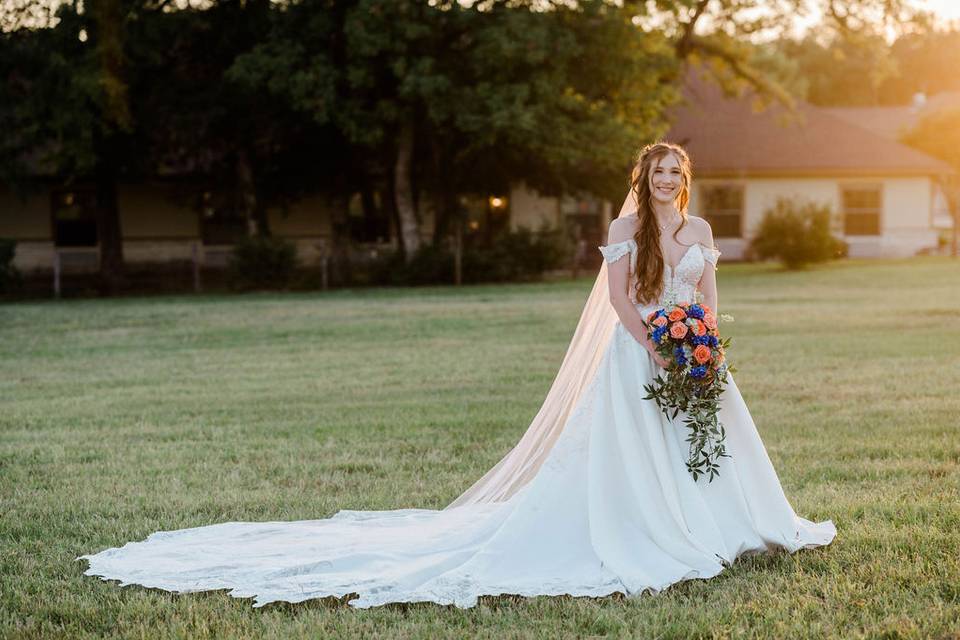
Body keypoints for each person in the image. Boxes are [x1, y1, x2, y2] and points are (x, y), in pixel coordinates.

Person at [77, 142, 836, 609]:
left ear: (687, 179)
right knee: (638, 457)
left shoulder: (701, 231)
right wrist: (658, 347)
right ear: (643, 178)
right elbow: (616, 303)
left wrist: (703, 344)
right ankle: (656, 532)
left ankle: (728, 528)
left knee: (712, 442)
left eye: (677, 172)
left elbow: (706, 294)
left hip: (697, 352)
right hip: (639, 355)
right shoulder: (624, 229)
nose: (668, 181)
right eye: (657, 172)